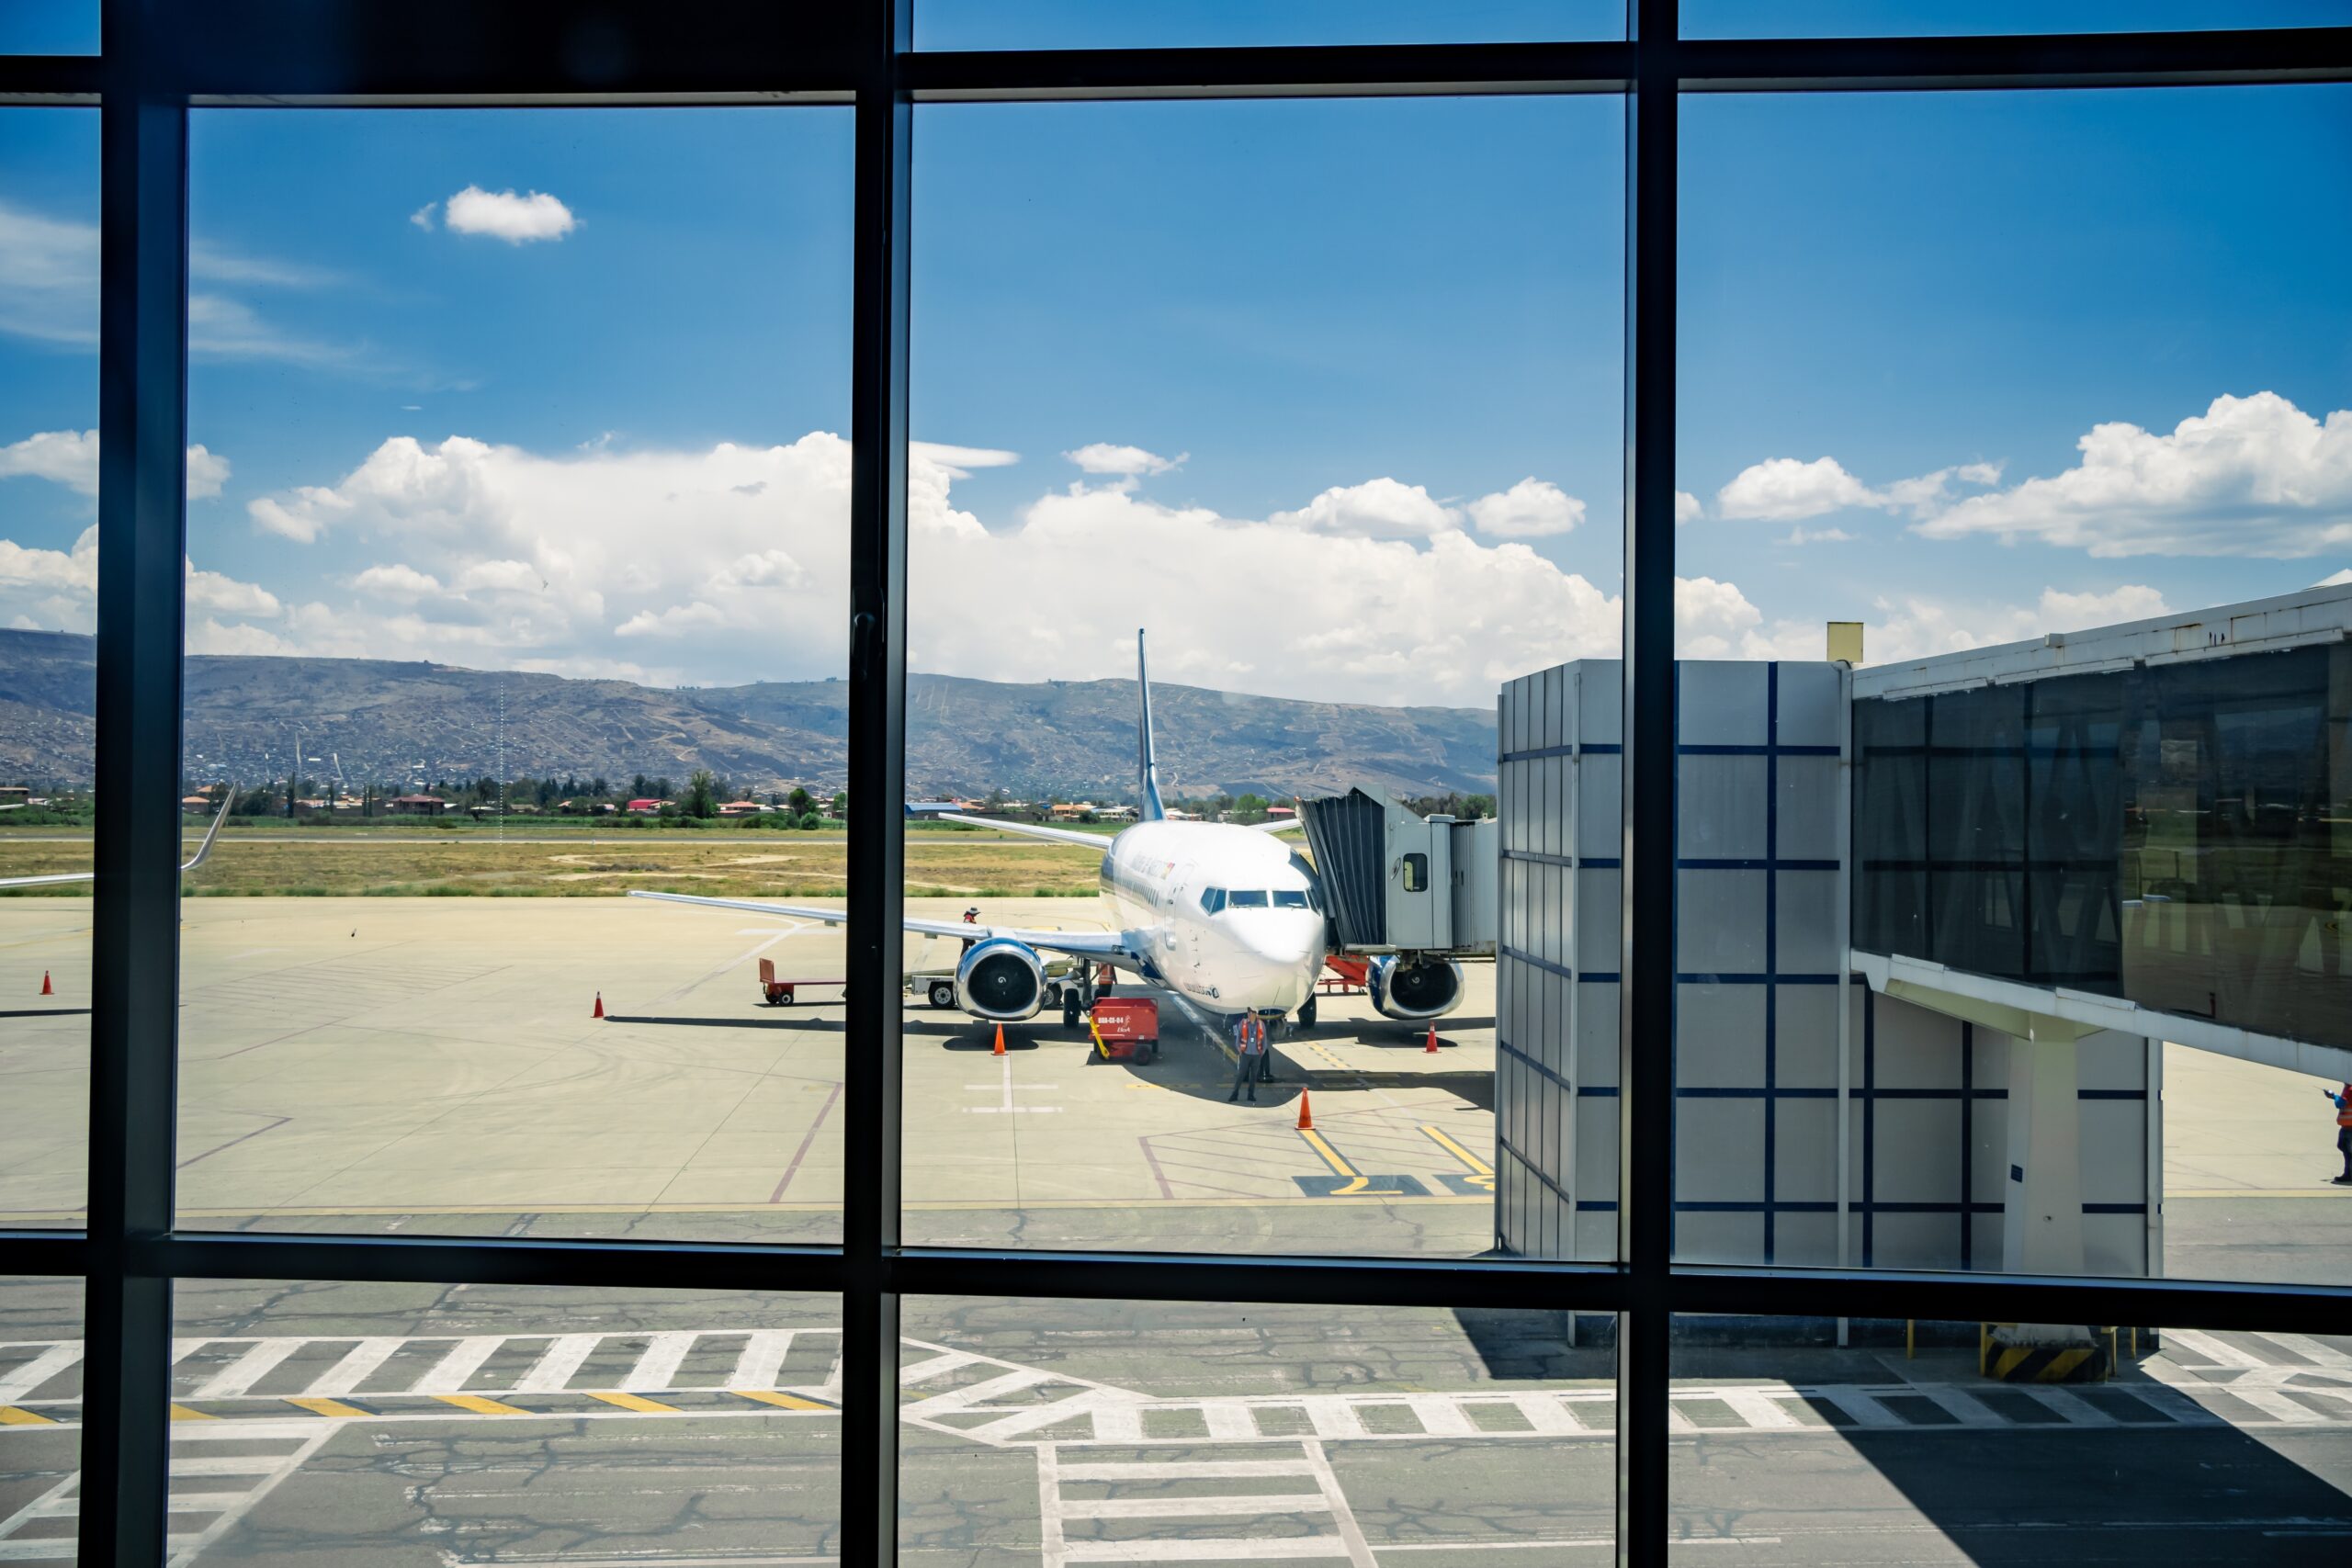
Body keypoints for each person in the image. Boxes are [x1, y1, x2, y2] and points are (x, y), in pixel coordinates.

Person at [1227, 1011, 1270, 1103]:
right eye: (1248, 1014)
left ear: (1255, 1014)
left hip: (1256, 1055)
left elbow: (1264, 1041)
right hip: (1245, 1054)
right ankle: (1234, 1094)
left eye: (1251, 1014)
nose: (1249, 1015)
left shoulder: (1261, 1024)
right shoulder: (1243, 1023)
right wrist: (1240, 1050)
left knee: (1253, 1076)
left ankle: (1250, 1095)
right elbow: (1238, 1039)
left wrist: (1260, 1053)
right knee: (1241, 1075)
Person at [2329, 1083, 2352, 1186]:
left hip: (2349, 1129)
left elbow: (2340, 1103)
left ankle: (2348, 1174)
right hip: (2345, 1127)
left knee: (2348, 1152)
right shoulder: (2348, 1088)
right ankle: (2348, 1174)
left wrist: (2333, 1096)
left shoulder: (2350, 1089)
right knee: (2345, 1150)